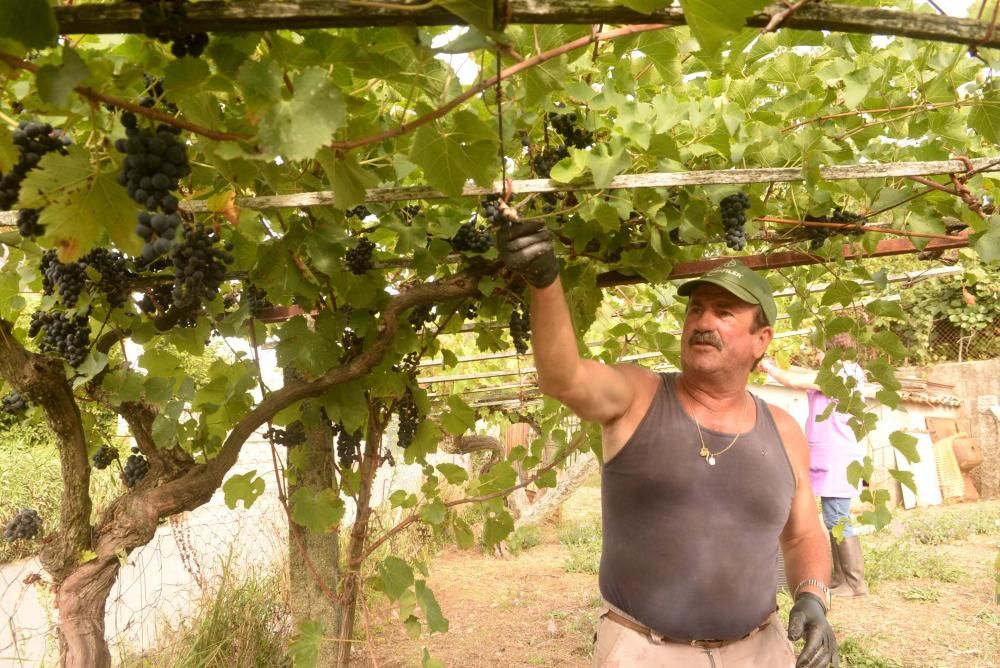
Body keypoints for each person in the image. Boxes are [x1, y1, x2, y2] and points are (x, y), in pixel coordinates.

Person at [498, 217, 838, 668]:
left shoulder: (783, 429)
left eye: (724, 311)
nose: (703, 321)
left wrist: (813, 597)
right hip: (645, 652)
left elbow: (803, 535)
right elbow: (565, 378)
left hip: (759, 651)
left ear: (762, 340)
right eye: (695, 309)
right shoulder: (638, 396)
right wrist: (544, 282)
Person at [759, 335, 869, 599]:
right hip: (833, 453)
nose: (816, 357)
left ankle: (855, 583)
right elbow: (803, 374)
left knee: (837, 517)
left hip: (837, 455)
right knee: (835, 517)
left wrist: (769, 367)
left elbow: (794, 380)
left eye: (819, 352)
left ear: (831, 353)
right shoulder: (844, 371)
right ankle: (842, 578)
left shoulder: (840, 374)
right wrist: (777, 363)